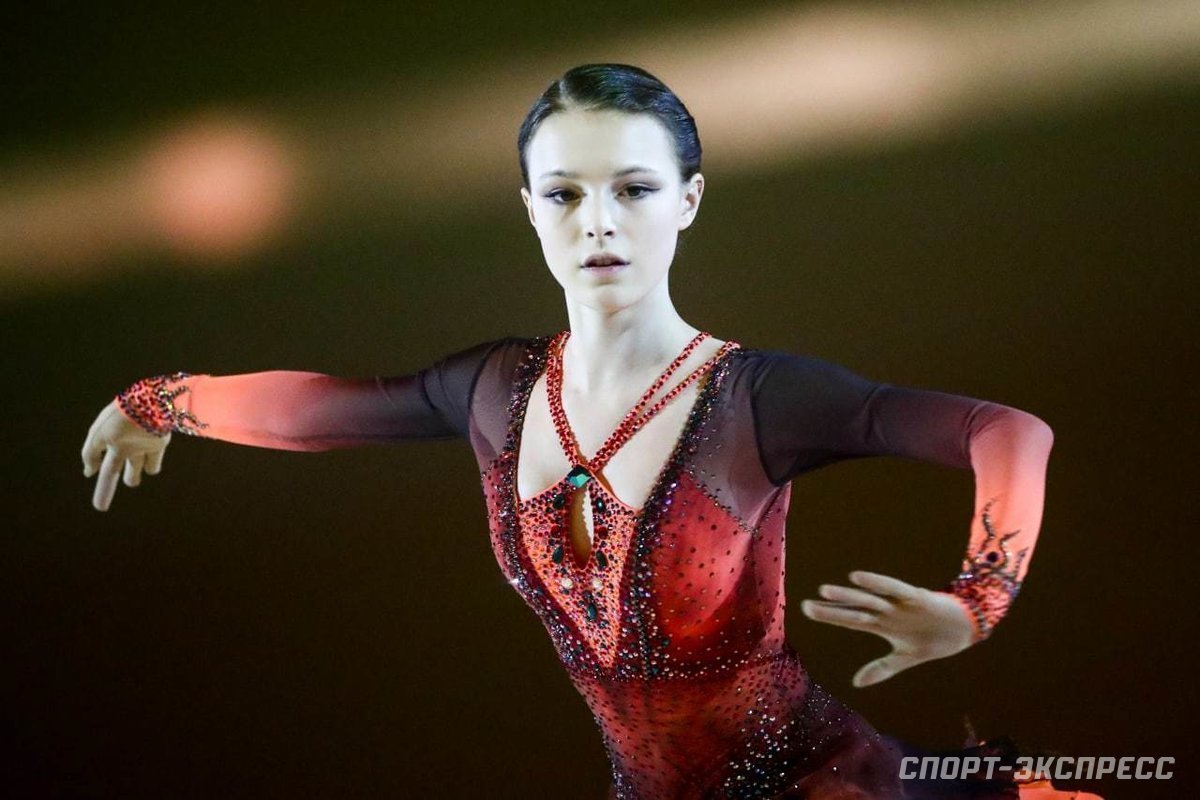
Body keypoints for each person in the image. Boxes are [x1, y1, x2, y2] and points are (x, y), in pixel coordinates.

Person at [81, 64, 1101, 799]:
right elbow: (322, 409)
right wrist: (160, 400)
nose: (598, 222)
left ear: (688, 201)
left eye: (634, 190)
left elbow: (1006, 429)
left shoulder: (757, 396)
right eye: (566, 194)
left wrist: (977, 601)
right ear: (531, 210)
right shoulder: (495, 391)